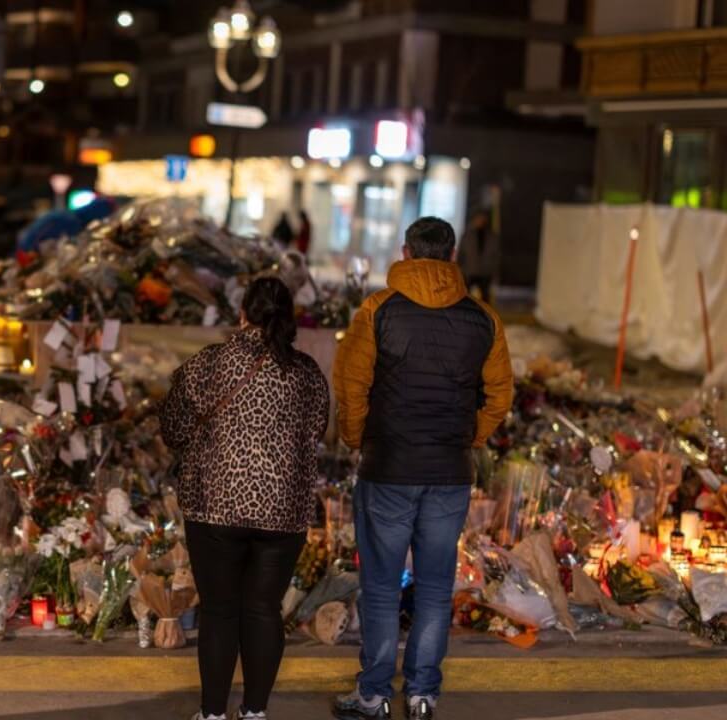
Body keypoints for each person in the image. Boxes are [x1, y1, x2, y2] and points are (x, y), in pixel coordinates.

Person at [331, 217, 513, 720]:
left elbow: (351, 386)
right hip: (449, 473)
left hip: (388, 466)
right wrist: (469, 438)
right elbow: (500, 396)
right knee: (435, 586)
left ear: (406, 253)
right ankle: (422, 695)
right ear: (453, 258)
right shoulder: (484, 320)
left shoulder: (377, 311)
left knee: (383, 586)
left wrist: (355, 438)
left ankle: (373, 696)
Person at [161, 277, 330, 720]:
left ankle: (213, 713)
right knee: (263, 609)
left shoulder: (210, 364)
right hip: (283, 510)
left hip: (215, 505)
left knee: (219, 612)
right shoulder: (307, 373)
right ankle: (255, 712)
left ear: (242, 314)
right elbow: (316, 432)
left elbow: (173, 429)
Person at [458, 209, 499, 302]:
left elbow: (496, 256)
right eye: (479, 218)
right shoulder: (467, 235)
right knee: (466, 296)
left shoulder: (492, 236)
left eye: (483, 218)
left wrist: (494, 271)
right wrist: (460, 269)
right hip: (470, 271)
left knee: (485, 297)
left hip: (485, 272)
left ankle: (484, 315)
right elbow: (461, 253)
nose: (481, 220)